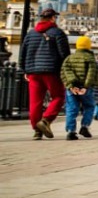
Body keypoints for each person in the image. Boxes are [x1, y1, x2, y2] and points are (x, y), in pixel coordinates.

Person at [18, 7, 70, 140]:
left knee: (35, 102)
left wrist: (24, 70)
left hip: (33, 72)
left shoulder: (30, 34)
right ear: (53, 18)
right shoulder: (57, 33)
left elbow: (23, 53)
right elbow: (64, 54)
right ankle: (46, 120)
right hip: (51, 71)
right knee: (58, 96)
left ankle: (37, 130)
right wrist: (66, 70)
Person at [61, 36, 98, 140]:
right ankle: (85, 126)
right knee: (89, 106)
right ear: (88, 46)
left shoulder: (69, 58)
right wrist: (86, 87)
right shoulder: (90, 58)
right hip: (85, 88)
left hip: (72, 89)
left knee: (71, 109)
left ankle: (71, 131)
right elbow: (91, 74)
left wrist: (71, 86)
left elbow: (63, 73)